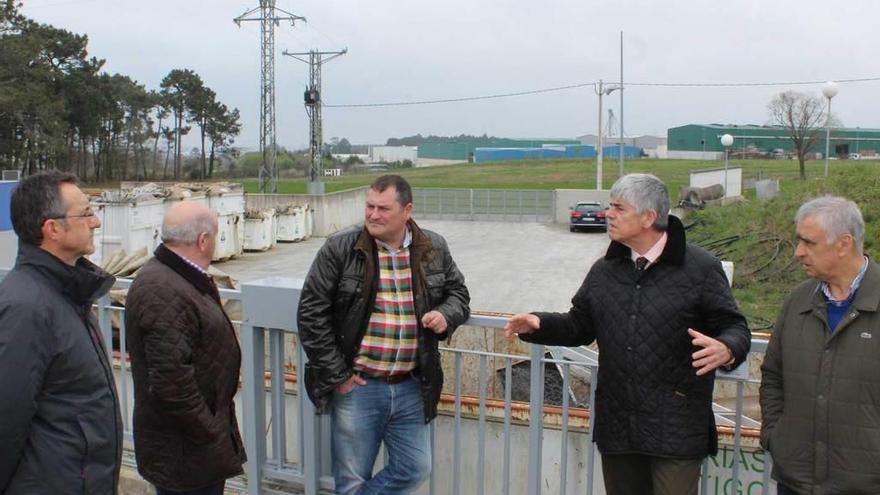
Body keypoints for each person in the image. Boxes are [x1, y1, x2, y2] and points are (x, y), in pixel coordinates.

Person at [505, 173, 751, 495]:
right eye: (610, 206)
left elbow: (735, 326)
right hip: (619, 422)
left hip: (676, 425)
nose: (609, 214)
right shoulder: (604, 271)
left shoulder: (701, 268)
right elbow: (580, 325)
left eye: (619, 208)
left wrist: (727, 348)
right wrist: (540, 323)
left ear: (649, 217)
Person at [298, 174, 470, 495]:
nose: (373, 215)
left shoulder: (432, 247)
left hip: (410, 386)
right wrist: (340, 376)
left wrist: (445, 315)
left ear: (407, 211)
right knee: (351, 479)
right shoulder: (340, 248)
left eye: (383, 208)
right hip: (358, 386)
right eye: (369, 206)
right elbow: (311, 314)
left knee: (415, 467)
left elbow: (459, 294)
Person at [0, 171, 122, 493]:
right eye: (86, 213)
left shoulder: (68, 292)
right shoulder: (26, 308)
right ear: (52, 229)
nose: (95, 222)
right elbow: (6, 418)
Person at [760, 196, 880, 494]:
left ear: (843, 244)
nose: (798, 253)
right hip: (796, 481)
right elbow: (773, 376)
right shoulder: (798, 301)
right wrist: (776, 437)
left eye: (809, 243)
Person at [125, 201, 246, 495]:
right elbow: (172, 384)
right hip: (185, 451)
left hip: (189, 448)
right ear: (203, 240)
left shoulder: (176, 277)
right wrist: (212, 431)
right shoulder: (162, 288)